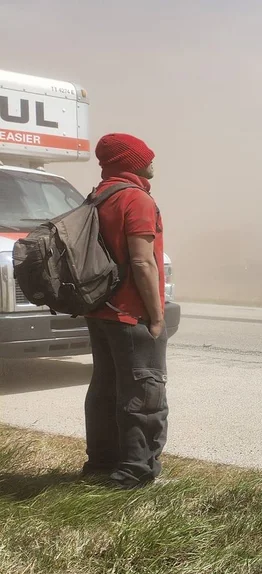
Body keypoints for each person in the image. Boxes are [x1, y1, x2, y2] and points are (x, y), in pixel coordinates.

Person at [81, 133, 169, 490]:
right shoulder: (136, 198)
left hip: (100, 310)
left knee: (105, 387)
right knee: (144, 391)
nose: (153, 160)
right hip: (131, 313)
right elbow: (142, 261)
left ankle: (101, 463)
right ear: (132, 163)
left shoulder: (97, 196)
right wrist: (157, 315)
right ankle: (135, 472)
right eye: (146, 156)